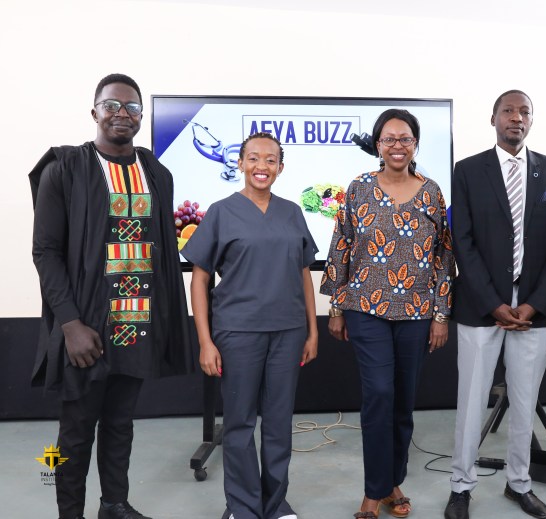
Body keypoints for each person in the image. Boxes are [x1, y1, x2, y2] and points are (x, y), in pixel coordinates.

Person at [29, 73, 194, 519]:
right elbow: (45, 252)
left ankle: (114, 504)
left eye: (131, 107)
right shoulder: (64, 169)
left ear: (141, 116)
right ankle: (69, 512)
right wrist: (70, 325)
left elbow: (160, 248)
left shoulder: (156, 173)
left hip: (136, 322)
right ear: (95, 112)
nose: (122, 113)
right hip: (86, 326)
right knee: (74, 431)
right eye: (112, 105)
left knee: (121, 422)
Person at [443, 90, 546, 519]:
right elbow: (462, 241)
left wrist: (533, 303)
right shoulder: (468, 171)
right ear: (493, 118)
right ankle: (461, 487)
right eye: (508, 111)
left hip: (534, 309)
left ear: (531, 120)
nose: (516, 117)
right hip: (481, 305)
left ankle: (519, 483)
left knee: (524, 401)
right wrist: (494, 303)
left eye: (525, 111)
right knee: (471, 401)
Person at [320, 108, 454, 519]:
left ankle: (392, 481)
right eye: (389, 138)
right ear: (378, 145)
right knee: (379, 394)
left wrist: (441, 315)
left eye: (405, 138)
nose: (398, 145)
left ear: (415, 144)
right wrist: (336, 307)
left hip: (417, 312)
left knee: (402, 402)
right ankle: (373, 491)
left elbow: (443, 256)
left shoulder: (432, 192)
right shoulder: (358, 188)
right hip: (365, 308)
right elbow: (341, 246)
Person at [183, 132, 318, 519]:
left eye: (271, 160)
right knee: (239, 423)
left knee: (278, 422)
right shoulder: (221, 212)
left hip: (288, 331)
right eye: (254, 158)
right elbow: (199, 279)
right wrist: (205, 341)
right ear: (240, 163)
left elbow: (304, 275)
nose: (262, 166)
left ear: (280, 167)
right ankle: (242, 507)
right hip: (238, 332)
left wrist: (312, 331)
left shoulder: (292, 212)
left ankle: (275, 504)